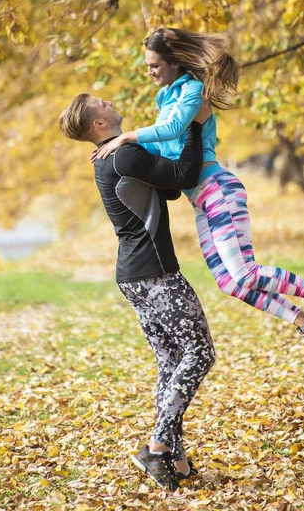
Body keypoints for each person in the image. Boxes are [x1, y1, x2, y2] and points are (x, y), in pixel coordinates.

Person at [91, 27, 304, 365]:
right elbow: (161, 147)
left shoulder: (193, 91)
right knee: (230, 283)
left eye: (154, 65)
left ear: (174, 63)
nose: (149, 72)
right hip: (200, 200)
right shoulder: (165, 98)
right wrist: (120, 145)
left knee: (245, 273)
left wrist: (125, 138)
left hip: (218, 188)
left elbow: (172, 131)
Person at [59, 93, 216, 492]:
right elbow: (184, 176)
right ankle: (158, 445)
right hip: (155, 273)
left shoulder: (113, 156)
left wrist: (139, 141)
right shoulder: (122, 156)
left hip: (133, 275)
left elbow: (167, 191)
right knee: (199, 353)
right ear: (98, 124)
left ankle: (177, 461)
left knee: (170, 361)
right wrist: (195, 124)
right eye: (102, 102)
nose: (110, 101)